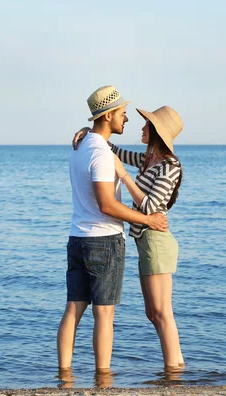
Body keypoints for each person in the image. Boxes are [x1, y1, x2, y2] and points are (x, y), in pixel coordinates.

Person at [57, 86, 168, 376]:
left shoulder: (81, 147)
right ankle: (103, 380)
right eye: (122, 113)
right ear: (107, 116)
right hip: (104, 241)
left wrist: (84, 129)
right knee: (103, 315)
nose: (126, 119)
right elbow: (107, 205)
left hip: (77, 238)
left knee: (73, 310)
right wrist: (148, 221)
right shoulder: (102, 155)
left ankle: (64, 377)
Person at [73, 105, 185, 370]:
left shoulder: (170, 166)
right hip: (145, 241)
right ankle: (174, 367)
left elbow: (149, 206)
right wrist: (90, 132)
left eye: (147, 125)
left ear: (157, 131)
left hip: (156, 242)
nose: (142, 128)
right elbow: (113, 151)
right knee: (152, 313)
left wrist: (123, 175)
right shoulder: (148, 158)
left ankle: (175, 371)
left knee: (162, 313)